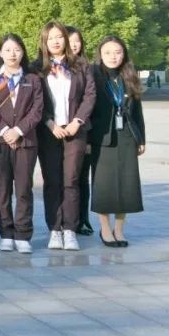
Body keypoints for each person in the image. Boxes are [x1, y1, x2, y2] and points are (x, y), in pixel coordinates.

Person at [36, 21, 96, 252]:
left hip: (74, 131)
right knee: (52, 181)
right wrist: (50, 123)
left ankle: (70, 229)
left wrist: (77, 121)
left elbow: (90, 95)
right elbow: (35, 101)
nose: (55, 41)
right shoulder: (37, 68)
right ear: (44, 41)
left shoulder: (81, 65)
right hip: (49, 132)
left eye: (59, 37)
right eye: (50, 37)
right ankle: (55, 229)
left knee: (71, 180)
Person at [0, 34, 44, 254]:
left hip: (26, 141)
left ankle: (23, 234)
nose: (12, 54)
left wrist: (18, 131)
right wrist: (5, 132)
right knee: (2, 189)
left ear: (23, 52)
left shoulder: (33, 79)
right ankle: (6, 233)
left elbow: (37, 110)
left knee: (23, 189)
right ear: (0, 53)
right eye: (8, 50)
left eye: (17, 50)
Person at [90, 36, 145, 247]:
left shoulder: (129, 76)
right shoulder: (93, 76)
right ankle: (105, 228)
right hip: (102, 137)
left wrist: (141, 138)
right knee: (103, 185)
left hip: (127, 136)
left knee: (126, 184)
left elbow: (137, 111)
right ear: (100, 55)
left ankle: (119, 229)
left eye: (118, 52)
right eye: (108, 52)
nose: (113, 56)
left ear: (124, 54)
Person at [67, 25, 94, 237]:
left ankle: (82, 219)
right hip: (58, 132)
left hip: (83, 131)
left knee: (80, 179)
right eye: (70, 41)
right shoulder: (52, 67)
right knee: (65, 179)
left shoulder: (87, 67)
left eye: (77, 41)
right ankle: (66, 220)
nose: (74, 45)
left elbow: (92, 101)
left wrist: (88, 136)